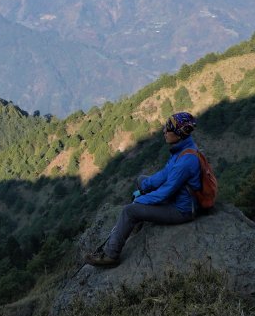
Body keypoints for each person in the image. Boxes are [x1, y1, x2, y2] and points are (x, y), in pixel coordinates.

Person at [85, 111, 203, 268]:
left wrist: (139, 201)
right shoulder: (183, 149)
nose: (164, 132)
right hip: (178, 196)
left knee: (129, 211)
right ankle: (136, 220)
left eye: (168, 129)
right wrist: (144, 187)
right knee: (141, 180)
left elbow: (165, 192)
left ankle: (111, 255)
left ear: (179, 134)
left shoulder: (186, 161)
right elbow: (165, 174)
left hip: (182, 209)